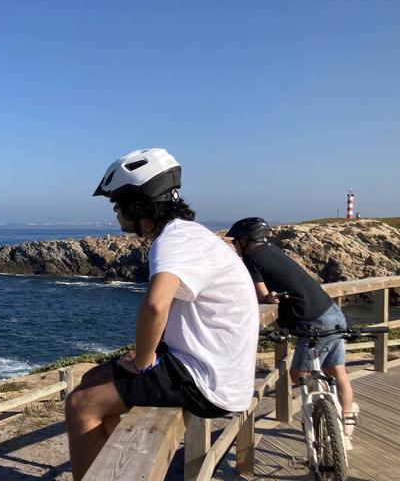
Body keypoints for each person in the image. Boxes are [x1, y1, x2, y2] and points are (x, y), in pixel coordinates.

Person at [64, 149, 258, 481]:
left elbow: (156, 305)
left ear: (138, 205)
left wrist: (143, 362)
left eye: (118, 201)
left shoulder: (173, 241)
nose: (115, 210)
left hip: (208, 381)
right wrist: (147, 354)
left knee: (81, 405)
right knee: (92, 379)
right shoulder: (189, 235)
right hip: (213, 368)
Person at [227, 217, 359, 448]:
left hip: (310, 322)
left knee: (298, 374)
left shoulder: (251, 258)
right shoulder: (272, 250)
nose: (235, 246)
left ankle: (325, 413)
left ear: (246, 240)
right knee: (337, 371)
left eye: (237, 241)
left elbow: (262, 295)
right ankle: (344, 422)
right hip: (332, 312)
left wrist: (269, 299)